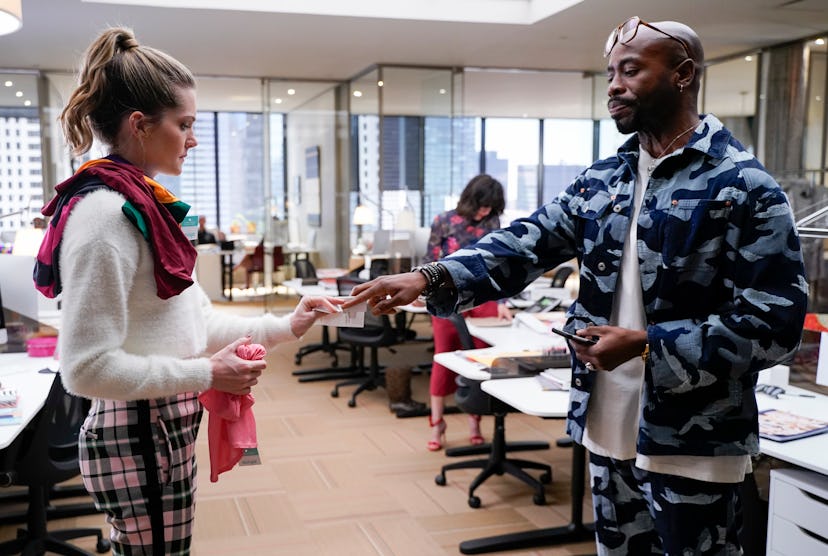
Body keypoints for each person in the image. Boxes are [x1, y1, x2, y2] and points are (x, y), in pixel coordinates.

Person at [344, 17, 808, 555]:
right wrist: (428, 276)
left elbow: (774, 325)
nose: (613, 84)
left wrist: (647, 344)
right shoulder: (603, 180)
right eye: (610, 72)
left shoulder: (745, 186)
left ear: (683, 75)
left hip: (695, 441)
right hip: (605, 423)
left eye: (630, 70)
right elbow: (523, 244)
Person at [35, 27, 343, 554]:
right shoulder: (105, 217)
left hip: (161, 425)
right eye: (184, 125)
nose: (193, 139)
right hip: (137, 432)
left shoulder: (143, 205)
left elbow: (192, 322)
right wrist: (208, 372)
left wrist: (287, 324)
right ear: (139, 125)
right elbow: (83, 368)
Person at [421, 174, 511, 451]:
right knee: (444, 358)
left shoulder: (492, 223)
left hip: (484, 300)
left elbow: (502, 265)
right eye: (482, 206)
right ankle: (437, 423)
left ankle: (475, 421)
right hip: (447, 300)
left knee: (480, 359)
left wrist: (504, 301)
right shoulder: (444, 221)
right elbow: (429, 262)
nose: (485, 212)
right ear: (470, 200)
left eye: (491, 208)